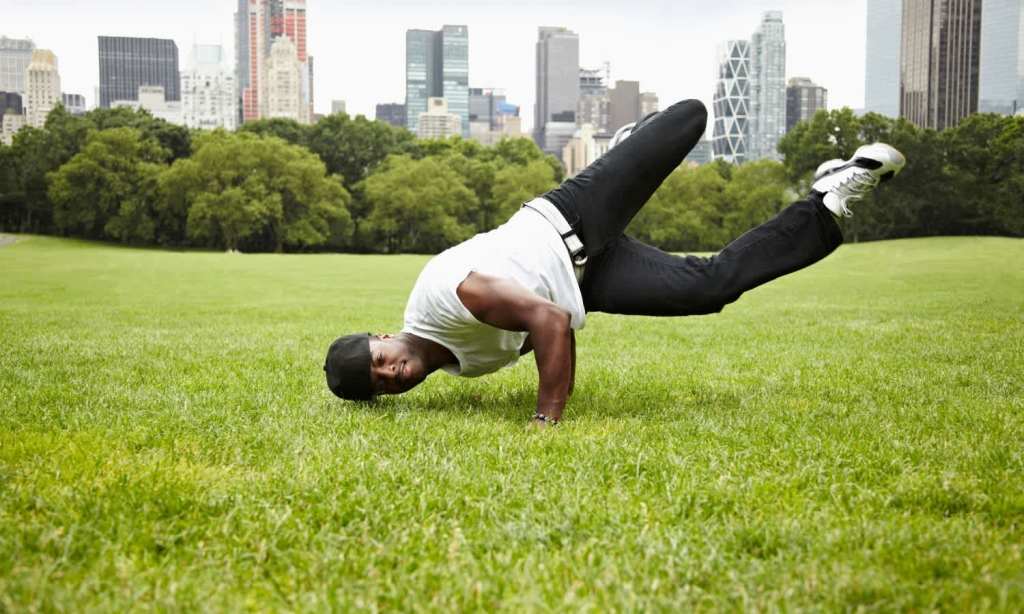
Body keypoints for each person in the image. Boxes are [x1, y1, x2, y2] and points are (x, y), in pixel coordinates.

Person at [324, 98, 906, 425]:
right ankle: (829, 200)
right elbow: (543, 325)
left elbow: (547, 324)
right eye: (379, 384)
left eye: (379, 359)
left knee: (690, 120)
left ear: (382, 336)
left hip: (570, 220)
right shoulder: (457, 366)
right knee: (709, 289)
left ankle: (634, 137)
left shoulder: (442, 302)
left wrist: (546, 417)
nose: (390, 374)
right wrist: (564, 308)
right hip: (591, 279)